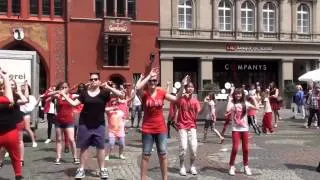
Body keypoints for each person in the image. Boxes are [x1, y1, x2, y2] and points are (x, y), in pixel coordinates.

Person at [61, 72, 124, 179]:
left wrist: (108, 86)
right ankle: (81, 169)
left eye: (95, 79)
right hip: (85, 124)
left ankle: (102, 169)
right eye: (91, 79)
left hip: (99, 124)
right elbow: (74, 103)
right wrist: (63, 94)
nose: (93, 81)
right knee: (84, 148)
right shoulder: (84, 93)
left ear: (99, 81)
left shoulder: (104, 93)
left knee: (100, 147)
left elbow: (121, 95)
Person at [135, 68, 187, 180]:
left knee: (163, 154)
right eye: (151, 81)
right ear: (148, 82)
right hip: (147, 128)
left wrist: (182, 85)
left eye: (154, 81)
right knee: (146, 155)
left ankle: (165, 178)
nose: (152, 83)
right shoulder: (144, 94)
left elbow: (176, 98)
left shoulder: (162, 92)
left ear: (157, 82)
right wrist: (149, 76)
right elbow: (138, 87)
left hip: (161, 128)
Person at [226, 88, 258, 176]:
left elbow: (257, 107)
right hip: (235, 129)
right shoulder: (232, 104)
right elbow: (228, 109)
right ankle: (232, 166)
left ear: (242, 94)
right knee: (235, 148)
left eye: (239, 94)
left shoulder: (246, 103)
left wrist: (254, 98)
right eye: (236, 94)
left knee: (246, 149)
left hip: (245, 129)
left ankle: (246, 166)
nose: (238, 95)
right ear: (234, 95)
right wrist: (230, 98)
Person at [47, 82, 80, 165]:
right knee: (58, 139)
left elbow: (80, 96)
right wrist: (57, 92)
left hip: (69, 120)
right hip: (59, 120)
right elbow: (48, 97)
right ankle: (58, 157)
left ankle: (75, 157)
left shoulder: (72, 96)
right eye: (62, 87)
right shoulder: (58, 96)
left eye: (66, 87)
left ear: (68, 88)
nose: (64, 89)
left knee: (71, 139)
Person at [0, 68, 24, 180]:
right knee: (15, 156)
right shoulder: (6, 98)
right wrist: (5, 77)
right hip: (10, 132)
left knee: (15, 156)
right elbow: (10, 98)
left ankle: (18, 175)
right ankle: (18, 175)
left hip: (9, 132)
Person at [175, 81, 201, 176]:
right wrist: (182, 85)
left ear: (194, 89)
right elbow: (177, 97)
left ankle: (192, 166)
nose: (190, 88)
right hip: (182, 126)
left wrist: (207, 106)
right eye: (188, 87)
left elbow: (200, 113)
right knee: (183, 147)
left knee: (194, 148)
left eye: (192, 87)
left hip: (192, 127)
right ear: (185, 89)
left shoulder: (195, 101)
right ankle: (182, 166)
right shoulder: (181, 99)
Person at [20, 81, 38, 148]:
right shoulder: (19, 96)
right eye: (22, 88)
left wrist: (39, 99)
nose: (22, 89)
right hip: (18, 114)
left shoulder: (31, 97)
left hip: (25, 114)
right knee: (19, 130)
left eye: (24, 88)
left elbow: (34, 105)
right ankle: (20, 142)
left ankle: (33, 141)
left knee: (27, 128)